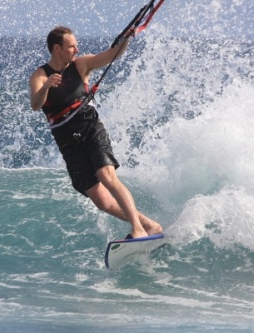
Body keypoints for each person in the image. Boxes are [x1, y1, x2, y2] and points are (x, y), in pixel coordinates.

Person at [29, 26, 162, 239]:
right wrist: (46, 87)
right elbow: (36, 104)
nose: (76, 49)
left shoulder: (81, 65)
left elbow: (112, 56)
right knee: (101, 201)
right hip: (67, 142)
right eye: (71, 46)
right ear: (57, 48)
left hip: (89, 127)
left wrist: (127, 38)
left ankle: (137, 229)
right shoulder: (40, 75)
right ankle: (150, 225)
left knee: (106, 175)